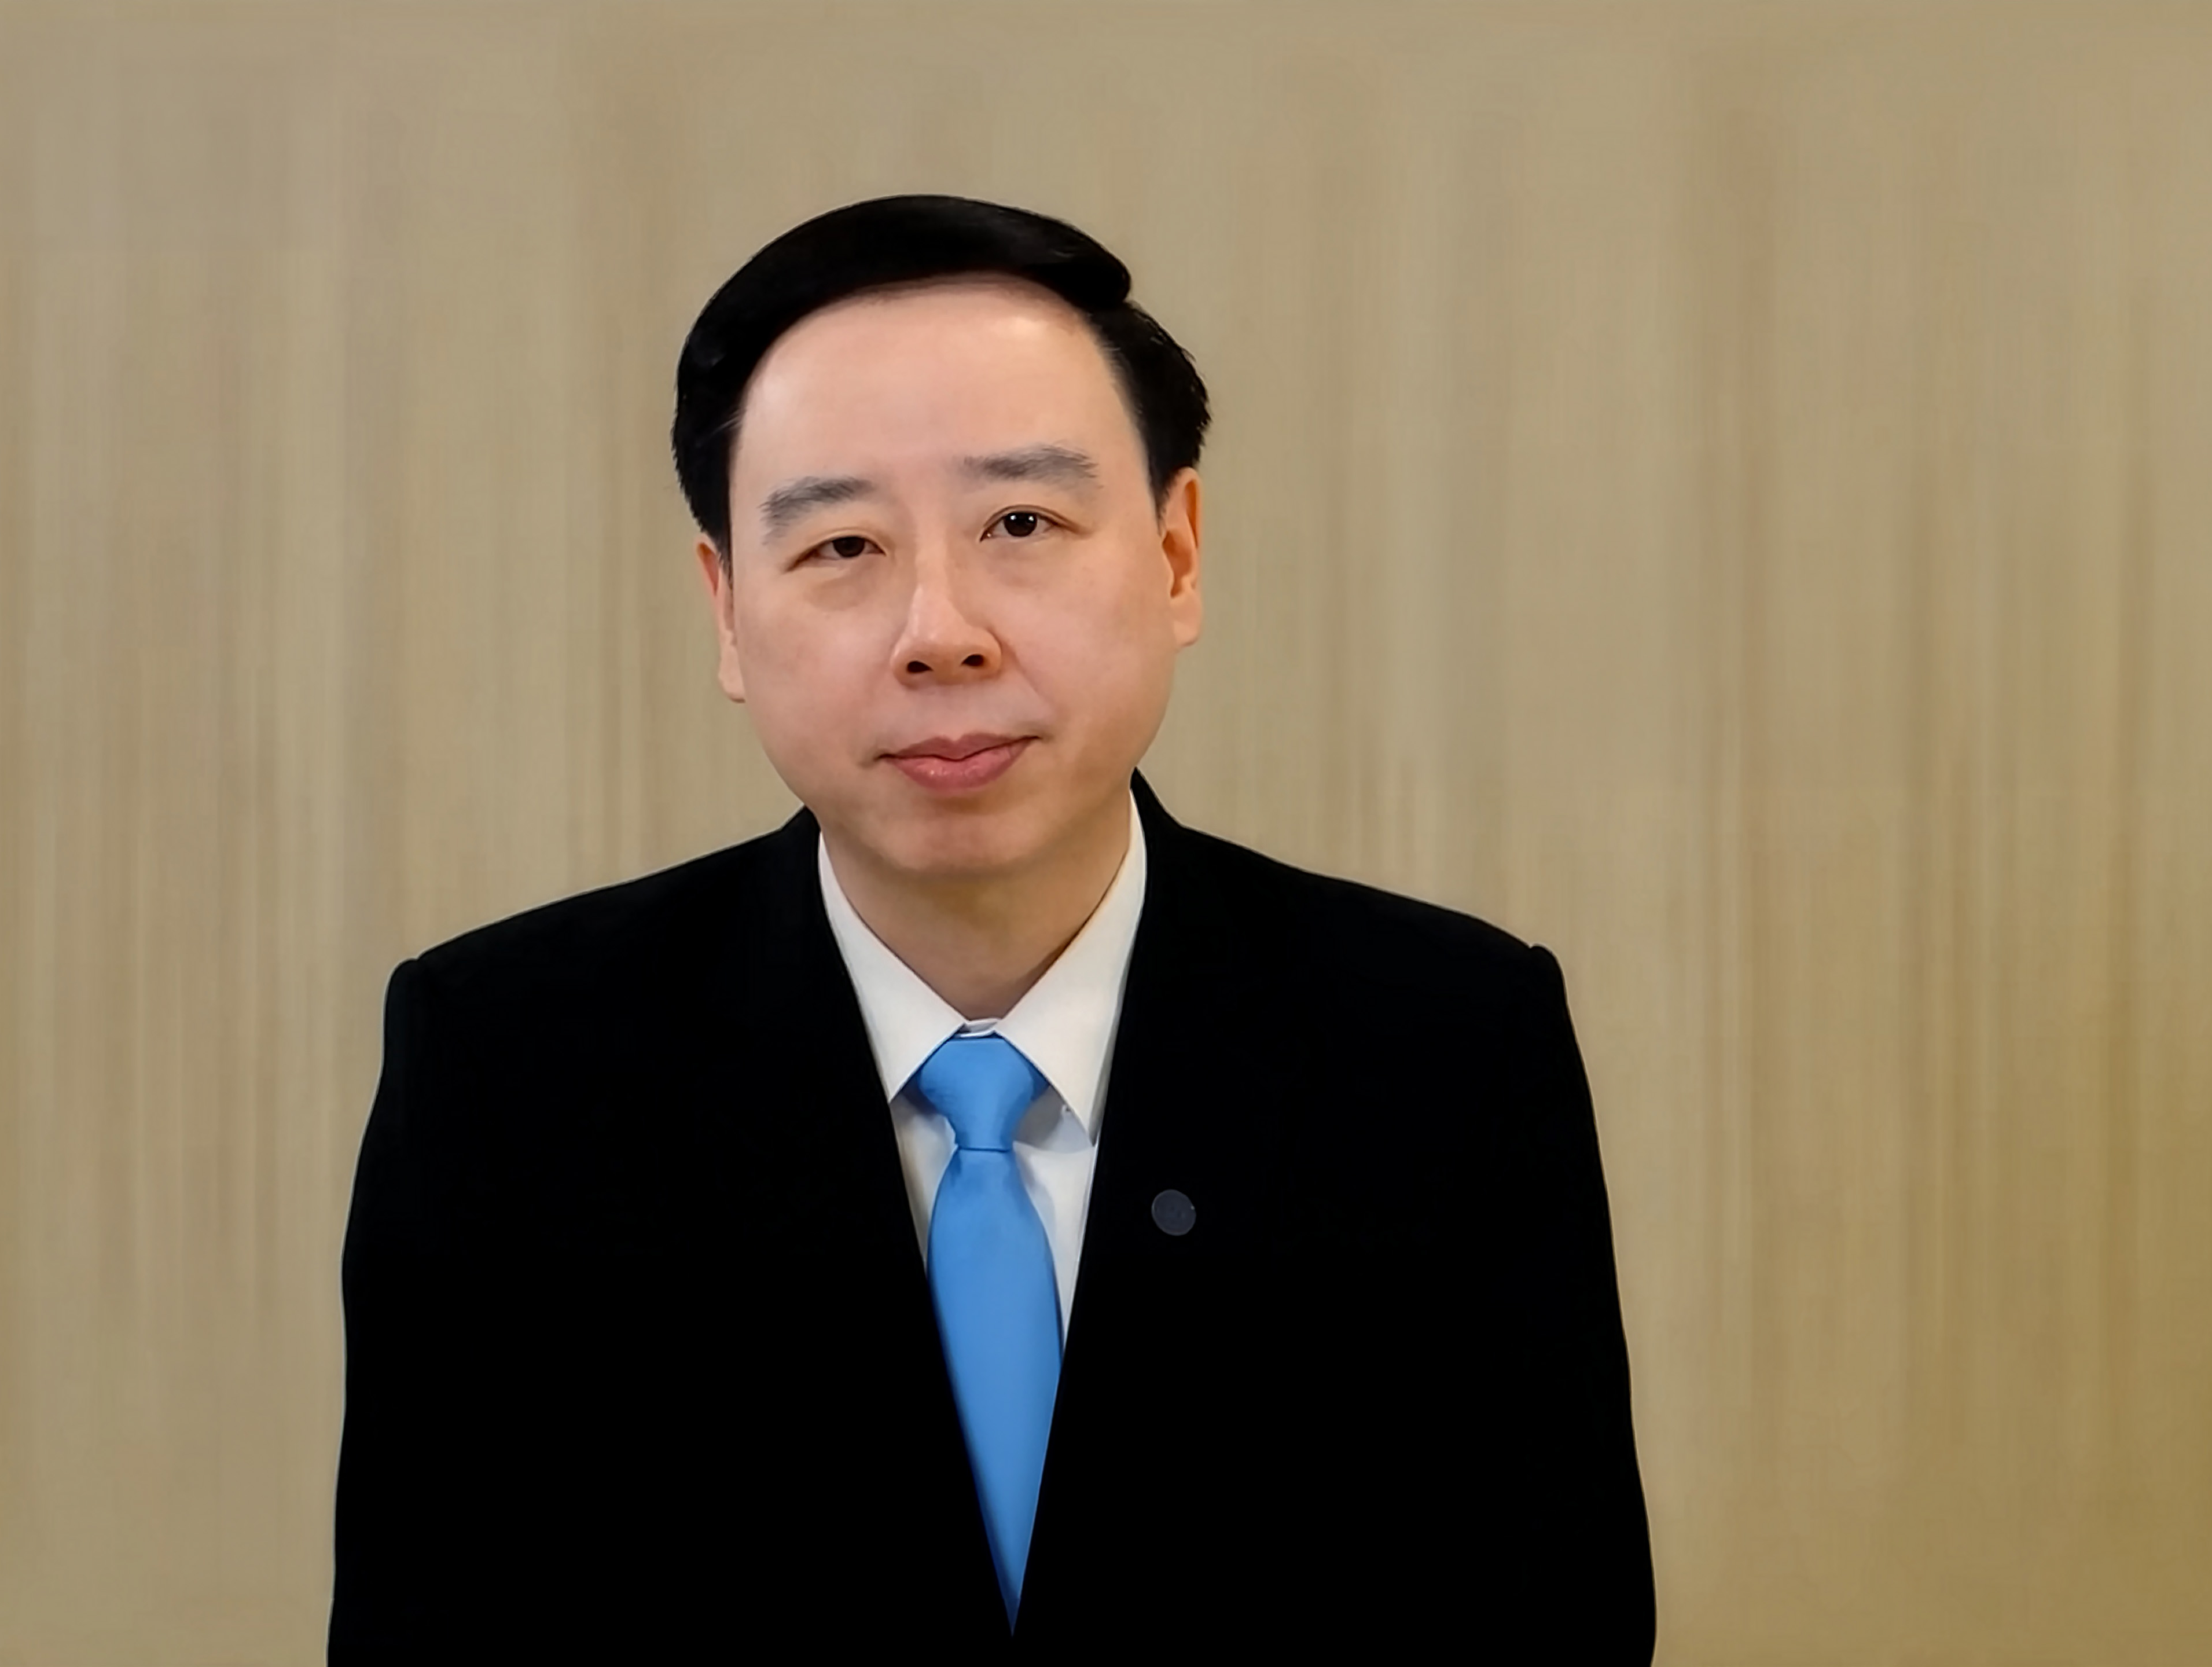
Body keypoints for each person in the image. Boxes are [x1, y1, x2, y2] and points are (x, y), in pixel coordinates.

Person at [326, 194, 1655, 1659]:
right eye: (841, 545)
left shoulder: (1446, 1046)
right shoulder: (509, 1067)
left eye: (1021, 523)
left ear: (1176, 554)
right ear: (726, 609)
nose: (939, 632)